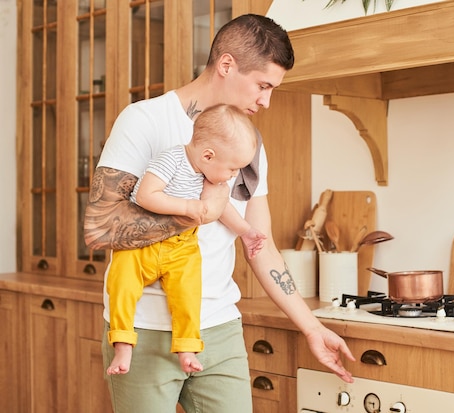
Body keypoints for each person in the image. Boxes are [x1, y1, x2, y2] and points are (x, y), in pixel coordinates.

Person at [84, 13, 355, 413]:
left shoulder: (248, 144)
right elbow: (101, 227)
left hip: (220, 329)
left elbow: (258, 245)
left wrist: (311, 327)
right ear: (226, 65)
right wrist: (201, 210)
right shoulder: (145, 120)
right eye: (263, 85)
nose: (266, 101)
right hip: (143, 331)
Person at [105, 104, 266, 376]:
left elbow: (223, 207)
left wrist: (246, 231)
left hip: (181, 247)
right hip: (142, 244)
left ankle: (187, 347)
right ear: (208, 155)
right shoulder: (171, 160)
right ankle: (122, 343)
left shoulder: (208, 173)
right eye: (232, 169)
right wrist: (187, 207)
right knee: (121, 283)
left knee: (189, 293)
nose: (232, 176)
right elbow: (146, 195)